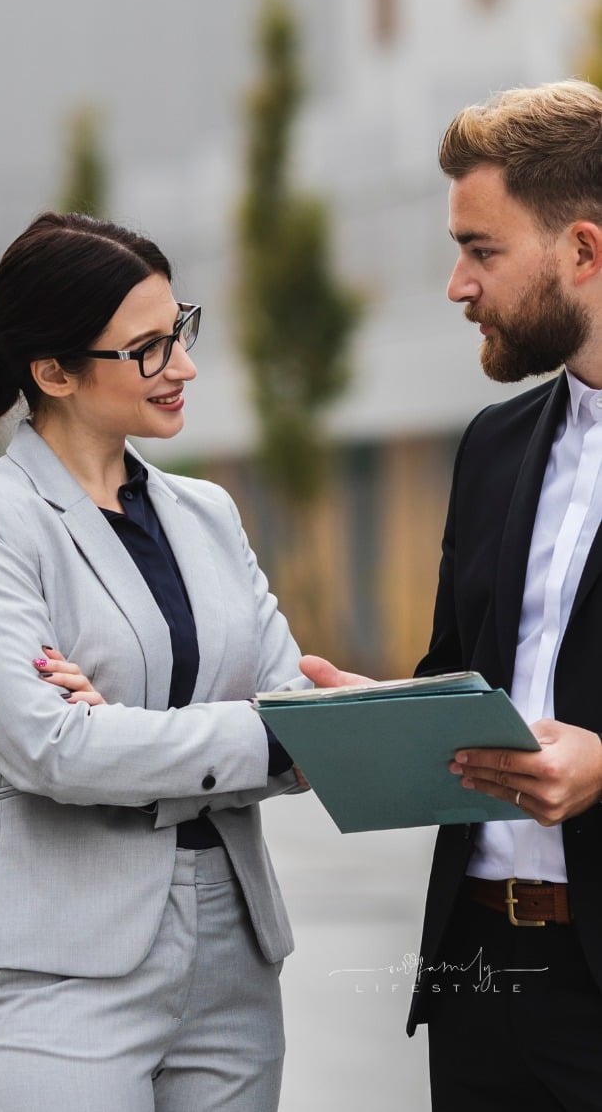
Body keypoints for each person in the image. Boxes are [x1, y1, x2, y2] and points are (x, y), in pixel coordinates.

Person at [0, 210, 313, 1112]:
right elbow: (49, 747)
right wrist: (263, 734)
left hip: (235, 956)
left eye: (180, 330)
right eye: (146, 349)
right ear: (52, 373)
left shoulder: (207, 513)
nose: (183, 367)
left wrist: (129, 734)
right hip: (68, 965)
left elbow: (299, 711)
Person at [306, 79, 602, 1111]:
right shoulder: (492, 446)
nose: (455, 285)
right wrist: (374, 720)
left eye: (481, 250)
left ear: (583, 251)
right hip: (481, 978)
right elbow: (459, 679)